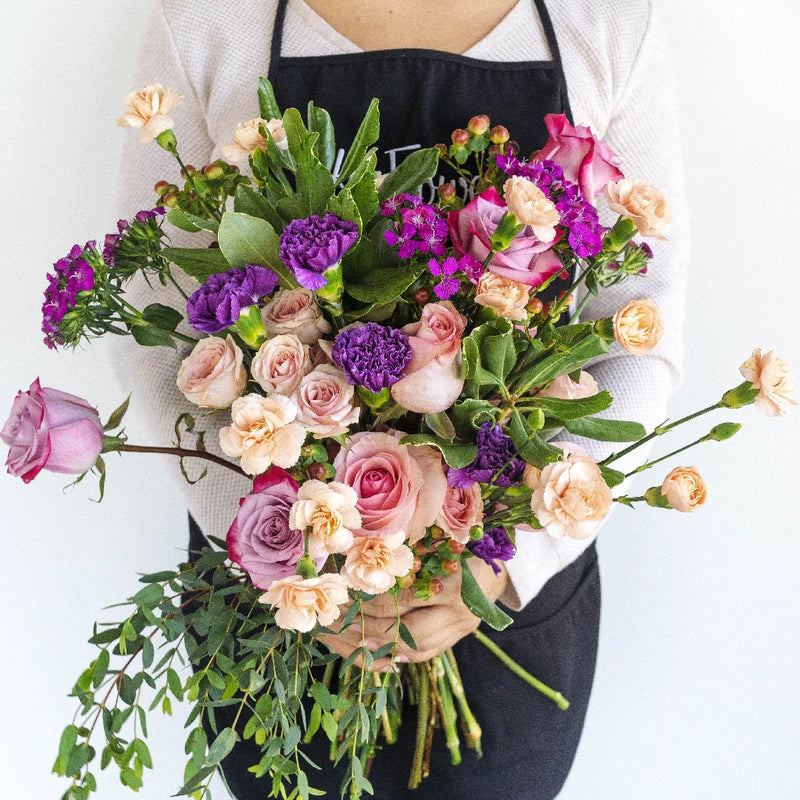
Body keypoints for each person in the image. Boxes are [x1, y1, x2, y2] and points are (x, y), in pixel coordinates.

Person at [116, 1, 686, 797]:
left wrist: (500, 563)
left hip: (502, 613)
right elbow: (158, 333)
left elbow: (641, 339)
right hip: (281, 598)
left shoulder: (608, 22)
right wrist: (295, 558)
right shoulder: (207, 19)